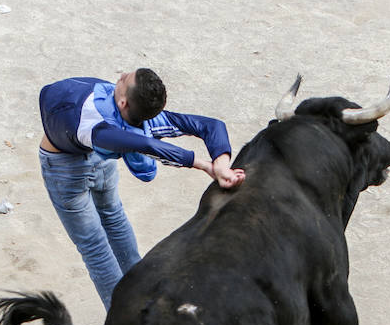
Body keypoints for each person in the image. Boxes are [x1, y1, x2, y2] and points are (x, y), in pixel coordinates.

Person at [38, 68, 245, 309]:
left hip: (65, 170)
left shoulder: (97, 125)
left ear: (123, 102)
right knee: (114, 219)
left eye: (125, 79)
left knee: (94, 247)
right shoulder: (140, 120)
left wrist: (213, 165)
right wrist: (215, 164)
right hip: (101, 162)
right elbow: (205, 127)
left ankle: (125, 317)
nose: (123, 74)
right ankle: (146, 296)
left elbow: (148, 144)